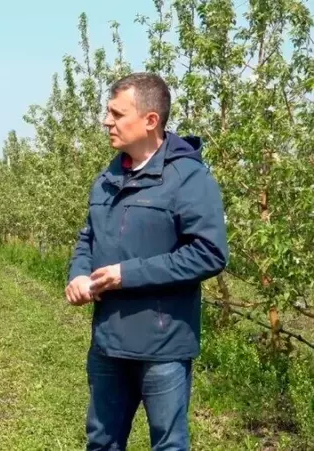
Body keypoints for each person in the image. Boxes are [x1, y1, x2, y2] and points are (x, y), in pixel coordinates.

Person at [65, 73, 228, 450]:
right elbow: (89, 236)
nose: (107, 121)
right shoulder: (108, 176)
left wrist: (127, 275)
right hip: (108, 342)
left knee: (168, 445)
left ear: (150, 120)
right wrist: (79, 274)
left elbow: (209, 253)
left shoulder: (188, 178)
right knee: (101, 441)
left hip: (163, 346)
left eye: (117, 114)